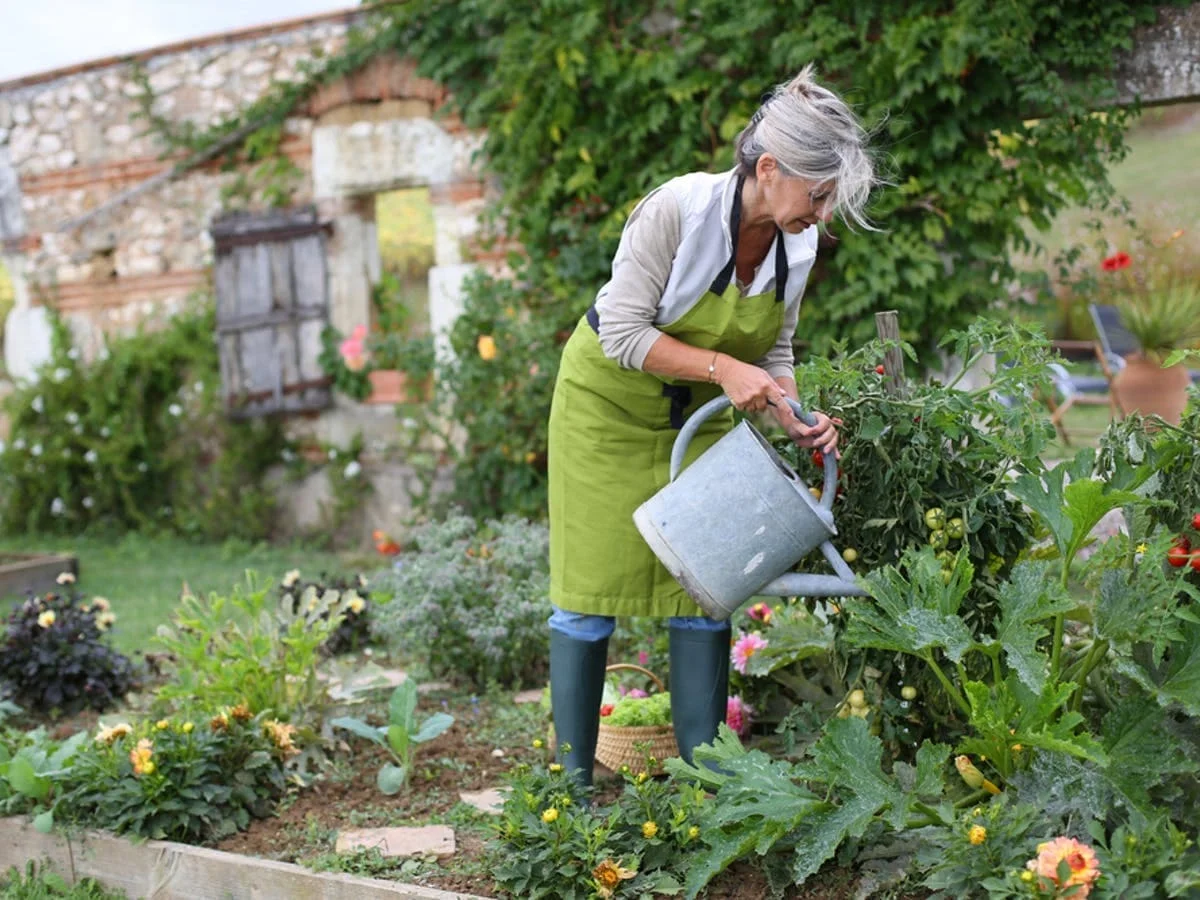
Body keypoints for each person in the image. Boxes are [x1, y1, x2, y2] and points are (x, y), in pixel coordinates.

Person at [546, 64, 878, 788]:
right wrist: (726, 369)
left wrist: (792, 412)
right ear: (769, 168)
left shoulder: (798, 244)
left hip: (691, 423)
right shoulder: (677, 212)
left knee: (706, 583)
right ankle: (570, 789)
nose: (821, 214)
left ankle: (705, 781)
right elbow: (623, 333)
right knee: (586, 596)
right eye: (817, 194)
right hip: (605, 412)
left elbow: (777, 347)